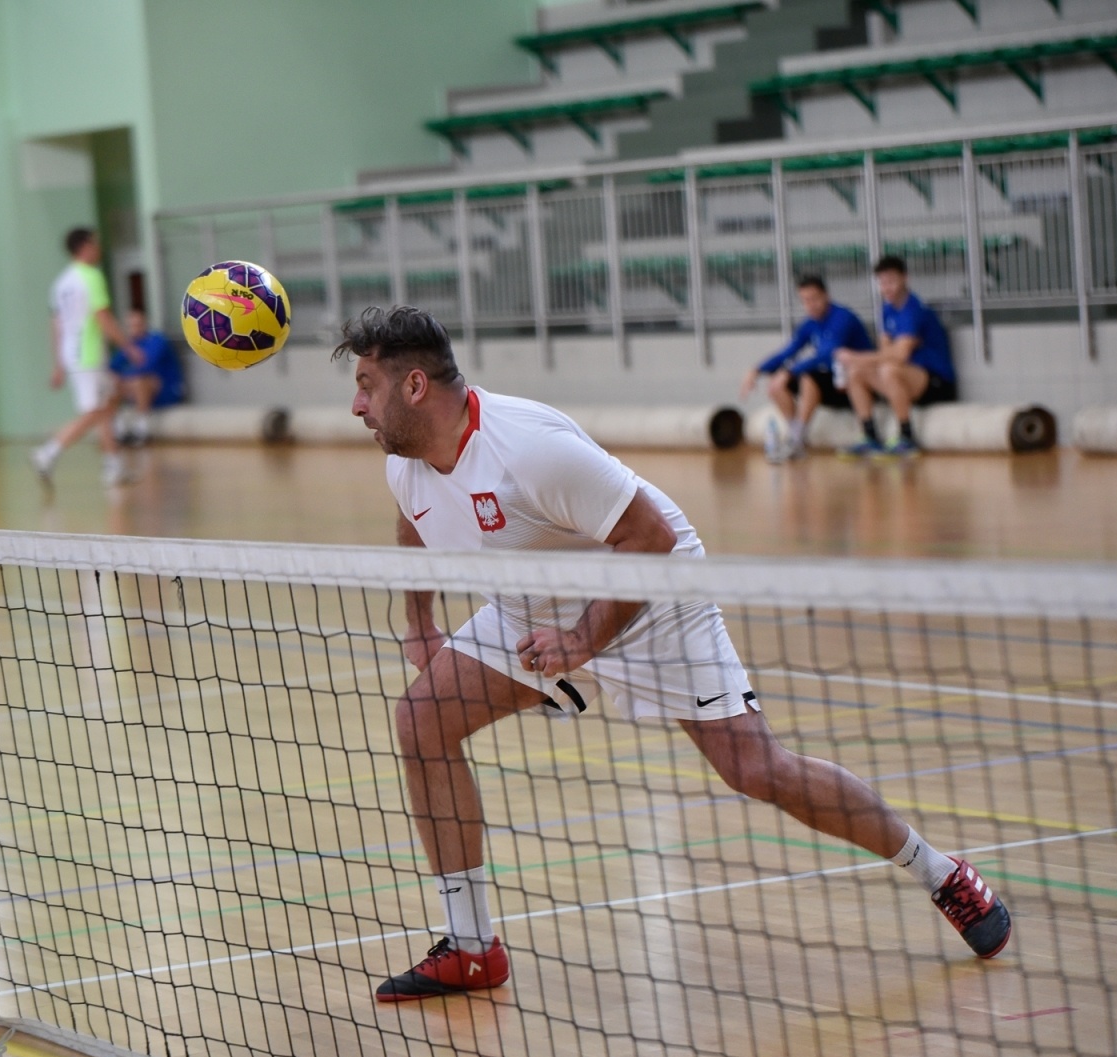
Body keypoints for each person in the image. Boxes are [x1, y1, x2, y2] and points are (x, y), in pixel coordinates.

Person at [337, 305, 1011, 1003]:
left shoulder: (528, 449)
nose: (357, 406)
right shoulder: (407, 461)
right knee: (423, 721)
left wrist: (581, 642)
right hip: (533, 606)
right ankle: (472, 948)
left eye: (366, 384)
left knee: (756, 769)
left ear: (414, 385)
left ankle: (940, 873)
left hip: (652, 601)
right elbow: (416, 521)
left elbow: (649, 538)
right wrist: (419, 620)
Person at [32, 228, 141, 487]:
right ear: (84, 246)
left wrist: (58, 363)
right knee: (95, 412)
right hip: (89, 355)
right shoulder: (91, 277)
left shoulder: (61, 283)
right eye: (95, 243)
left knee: (109, 402)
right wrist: (128, 347)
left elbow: (56, 325)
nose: (98, 247)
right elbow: (103, 317)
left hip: (74, 354)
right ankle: (47, 453)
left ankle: (113, 466)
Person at [740, 274, 873, 463]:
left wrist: (789, 372)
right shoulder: (810, 324)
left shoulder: (843, 318)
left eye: (814, 299)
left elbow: (827, 353)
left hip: (853, 384)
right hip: (831, 381)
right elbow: (788, 351)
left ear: (826, 296)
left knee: (807, 377)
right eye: (805, 300)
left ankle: (796, 438)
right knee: (776, 382)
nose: (811, 305)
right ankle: (796, 436)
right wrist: (756, 370)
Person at [837, 255, 958, 458]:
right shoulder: (886, 310)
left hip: (936, 381)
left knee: (888, 369)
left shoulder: (914, 309)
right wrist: (860, 362)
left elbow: (900, 355)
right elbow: (885, 351)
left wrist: (857, 356)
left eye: (891, 281)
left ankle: (907, 437)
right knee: (856, 372)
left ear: (905, 278)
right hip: (905, 378)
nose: (887, 288)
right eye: (882, 283)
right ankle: (869, 437)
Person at [110, 308, 185, 446]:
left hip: (168, 390)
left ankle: (143, 428)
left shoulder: (157, 340)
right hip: (137, 390)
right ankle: (119, 425)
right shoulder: (130, 345)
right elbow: (112, 367)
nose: (135, 328)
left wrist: (126, 378)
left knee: (139, 381)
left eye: (138, 324)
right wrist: (119, 379)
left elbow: (147, 367)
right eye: (131, 325)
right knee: (114, 381)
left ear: (145, 323)